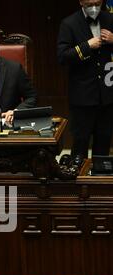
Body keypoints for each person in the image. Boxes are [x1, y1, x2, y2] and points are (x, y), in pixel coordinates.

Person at [57, 0, 113, 167]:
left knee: (104, 141)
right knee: (80, 143)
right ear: (81, 2)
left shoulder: (110, 19)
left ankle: (99, 182)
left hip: (107, 94)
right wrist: (86, 46)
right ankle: (76, 182)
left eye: (97, 3)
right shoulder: (69, 23)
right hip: (82, 96)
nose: (94, 8)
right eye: (89, 4)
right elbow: (62, 57)